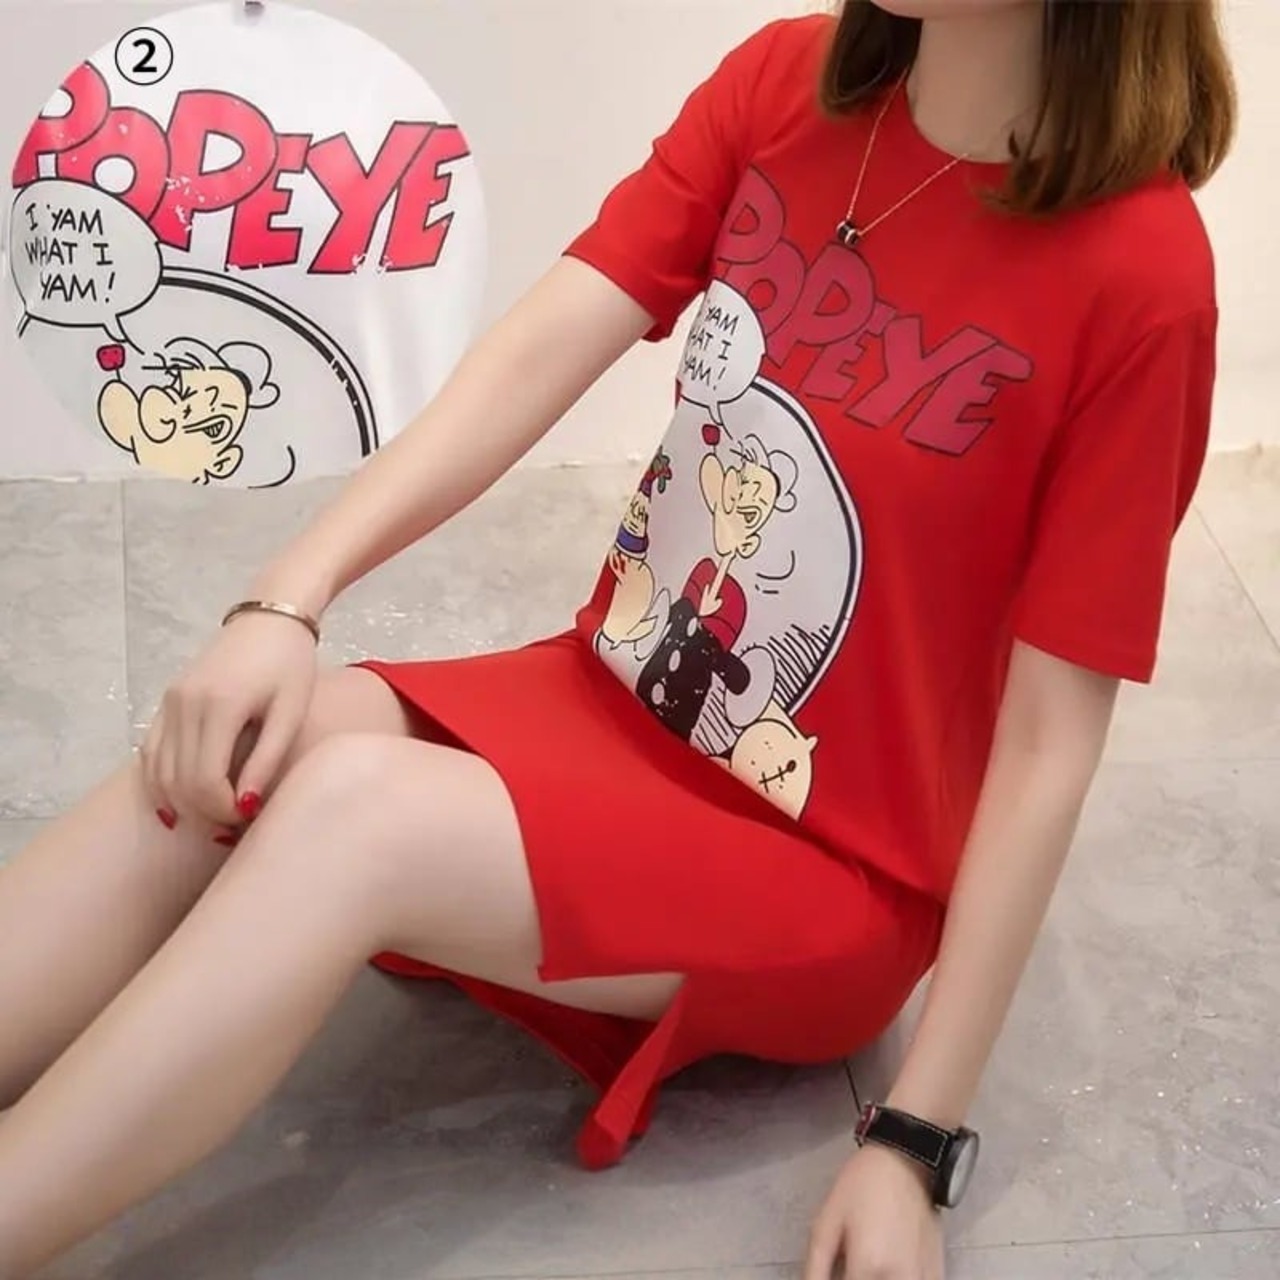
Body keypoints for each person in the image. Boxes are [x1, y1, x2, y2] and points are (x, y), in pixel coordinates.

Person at [0, 1, 1236, 1277]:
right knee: (260, 734)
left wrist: (913, 1140)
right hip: (605, 702)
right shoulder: (784, 84)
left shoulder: (1139, 276)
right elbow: (542, 346)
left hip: (826, 862)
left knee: (354, 810)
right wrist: (284, 599)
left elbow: (1045, 747)